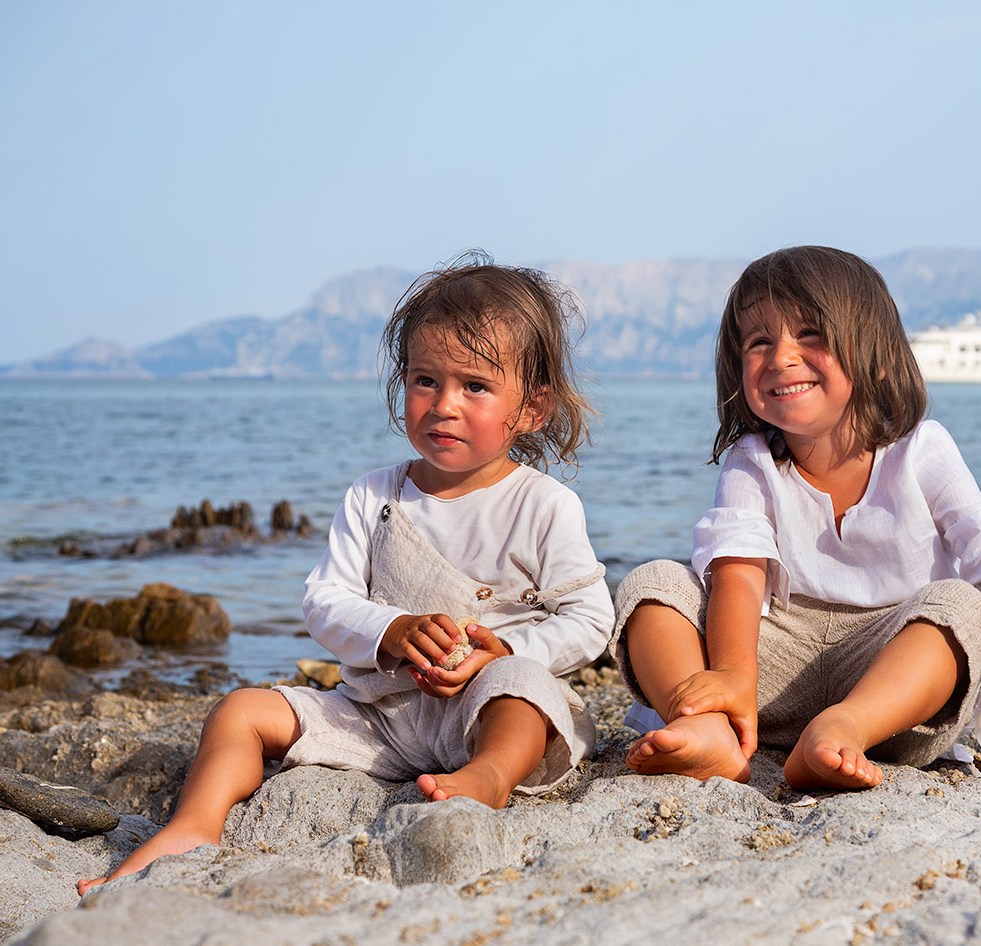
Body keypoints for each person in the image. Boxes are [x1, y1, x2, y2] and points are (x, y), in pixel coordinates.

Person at [79, 254, 613, 894]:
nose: (444, 405)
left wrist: (506, 650)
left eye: (475, 386)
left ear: (531, 408)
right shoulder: (374, 495)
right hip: (378, 716)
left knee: (521, 689)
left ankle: (488, 779)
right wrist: (392, 630)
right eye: (425, 380)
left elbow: (590, 619)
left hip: (485, 712)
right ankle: (195, 822)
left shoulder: (544, 505)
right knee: (239, 710)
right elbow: (324, 601)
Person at [611, 245, 981, 791]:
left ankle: (842, 729)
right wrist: (734, 676)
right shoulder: (752, 460)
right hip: (765, 688)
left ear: (877, 357)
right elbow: (739, 570)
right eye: (759, 341)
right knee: (654, 584)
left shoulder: (921, 450)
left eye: (810, 334)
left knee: (962, 605)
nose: (781, 357)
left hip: (893, 701)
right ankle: (707, 728)